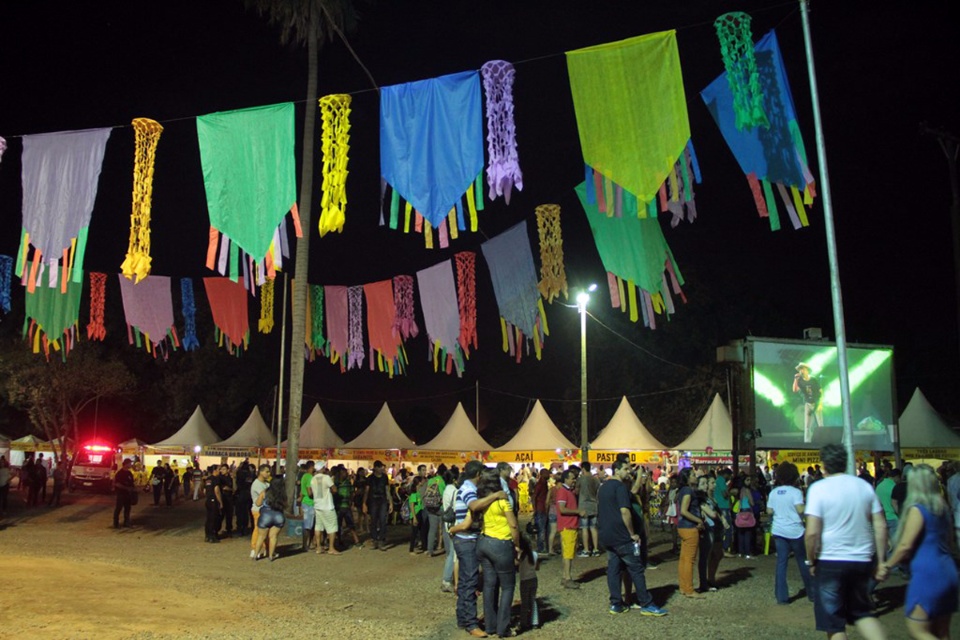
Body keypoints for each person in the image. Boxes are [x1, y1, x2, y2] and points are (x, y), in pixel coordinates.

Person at [805, 443, 887, 640]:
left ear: (823, 465)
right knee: (863, 613)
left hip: (831, 559)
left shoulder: (818, 489)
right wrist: (882, 560)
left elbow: (812, 533)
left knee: (834, 623)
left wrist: (811, 560)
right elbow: (881, 525)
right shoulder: (864, 486)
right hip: (861, 559)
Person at [877, 463, 958, 640]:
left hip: (928, 573)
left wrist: (887, 565)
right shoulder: (943, 508)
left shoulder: (918, 510)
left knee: (918, 629)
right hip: (948, 570)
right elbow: (951, 542)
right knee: (942, 632)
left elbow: (905, 545)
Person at [597, 459, 668, 616]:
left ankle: (616, 603)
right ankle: (646, 603)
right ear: (616, 470)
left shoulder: (603, 487)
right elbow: (625, 511)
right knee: (636, 568)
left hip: (607, 535)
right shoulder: (620, 487)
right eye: (626, 469)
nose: (628, 471)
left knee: (614, 570)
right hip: (622, 535)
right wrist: (632, 534)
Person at [452, 460, 507, 638]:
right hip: (466, 539)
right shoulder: (468, 489)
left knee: (465, 581)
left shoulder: (466, 486)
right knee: (470, 581)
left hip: (464, 538)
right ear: (478, 475)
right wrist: (496, 495)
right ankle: (471, 623)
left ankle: (463, 618)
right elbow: (474, 506)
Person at [474, 467, 520, 638]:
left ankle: (490, 625)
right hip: (501, 543)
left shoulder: (482, 500)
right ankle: (503, 628)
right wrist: (517, 546)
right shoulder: (502, 500)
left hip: (484, 542)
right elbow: (513, 525)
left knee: (489, 584)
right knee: (508, 586)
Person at [767, 462, 814, 604]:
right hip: (796, 531)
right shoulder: (796, 492)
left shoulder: (774, 492)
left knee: (781, 563)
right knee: (803, 561)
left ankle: (781, 597)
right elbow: (800, 510)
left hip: (779, 530)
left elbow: (769, 511)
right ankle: (812, 593)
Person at [677, 467, 705, 598]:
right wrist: (698, 520)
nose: (696, 476)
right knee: (689, 560)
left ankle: (683, 586)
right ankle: (689, 589)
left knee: (684, 559)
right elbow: (684, 510)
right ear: (687, 478)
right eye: (693, 474)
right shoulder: (688, 490)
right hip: (689, 527)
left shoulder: (682, 490)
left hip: (682, 526)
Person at [555, 468, 583, 589]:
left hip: (570, 525)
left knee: (568, 552)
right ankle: (567, 578)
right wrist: (577, 511)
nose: (574, 480)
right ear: (566, 478)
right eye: (572, 478)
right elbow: (562, 509)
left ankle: (565, 576)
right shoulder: (563, 491)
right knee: (568, 554)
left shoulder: (567, 491)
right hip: (568, 526)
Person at [254, 477, 287, 561]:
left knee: (261, 536)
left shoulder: (265, 492)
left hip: (265, 516)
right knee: (273, 536)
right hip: (278, 516)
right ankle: (271, 555)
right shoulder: (283, 494)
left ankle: (255, 554)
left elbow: (258, 503)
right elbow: (286, 505)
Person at [363, 460, 392, 551]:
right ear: (375, 468)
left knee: (383, 520)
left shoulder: (385, 477)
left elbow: (387, 490)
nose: (382, 469)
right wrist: (364, 503)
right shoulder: (370, 478)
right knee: (374, 520)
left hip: (383, 500)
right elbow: (366, 491)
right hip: (373, 501)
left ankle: (381, 540)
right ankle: (374, 539)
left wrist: (390, 502)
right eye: (380, 467)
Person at [312, 465, 340, 555]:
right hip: (327, 506)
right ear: (322, 469)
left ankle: (318, 547)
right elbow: (334, 489)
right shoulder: (326, 478)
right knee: (332, 527)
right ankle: (331, 548)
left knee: (318, 526)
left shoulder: (313, 479)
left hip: (317, 505)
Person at [793, 362, 823, 444]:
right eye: (800, 369)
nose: (801, 371)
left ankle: (822, 440)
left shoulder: (813, 379)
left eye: (803, 369)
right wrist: (795, 379)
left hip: (816, 403)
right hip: (808, 404)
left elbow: (820, 391)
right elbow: (795, 390)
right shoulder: (800, 381)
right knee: (807, 425)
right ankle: (807, 442)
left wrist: (820, 403)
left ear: (807, 370)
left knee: (820, 423)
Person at [576, 461, 601, 557]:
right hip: (594, 505)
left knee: (584, 528)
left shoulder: (581, 479)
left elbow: (577, 491)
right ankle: (595, 549)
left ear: (583, 468)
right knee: (594, 528)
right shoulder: (595, 479)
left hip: (584, 506)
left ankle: (586, 550)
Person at [517, 532, 540, 632]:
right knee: (533, 600)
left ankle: (524, 622)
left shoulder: (521, 556)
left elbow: (517, 567)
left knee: (524, 603)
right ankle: (535, 621)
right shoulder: (534, 554)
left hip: (524, 581)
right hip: (533, 579)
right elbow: (537, 568)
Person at [440, 469, 458, 593]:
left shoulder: (446, 490)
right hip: (453, 524)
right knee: (453, 553)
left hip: (447, 523)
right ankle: (446, 580)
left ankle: (448, 579)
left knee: (450, 553)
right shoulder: (455, 491)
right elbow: (457, 509)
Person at [422, 464, 446, 556]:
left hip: (430, 507)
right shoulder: (443, 481)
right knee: (443, 529)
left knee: (432, 529)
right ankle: (447, 549)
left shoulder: (431, 480)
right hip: (440, 507)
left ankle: (430, 550)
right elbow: (443, 496)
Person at [249, 464, 271, 559]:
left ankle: (267, 549)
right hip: (258, 510)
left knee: (267, 531)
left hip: (266, 510)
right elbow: (264, 497)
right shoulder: (256, 484)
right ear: (261, 472)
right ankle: (254, 549)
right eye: (266, 471)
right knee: (258, 530)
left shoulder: (266, 483)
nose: (268, 474)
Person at [734, 476, 756, 558]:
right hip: (747, 511)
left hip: (740, 511)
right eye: (747, 480)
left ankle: (740, 552)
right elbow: (752, 502)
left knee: (740, 533)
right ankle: (747, 552)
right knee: (747, 533)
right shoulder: (747, 490)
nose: (749, 481)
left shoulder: (739, 490)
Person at [112, 458, 136, 528]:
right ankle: (116, 523)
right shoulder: (120, 473)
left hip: (128, 494)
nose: (131, 465)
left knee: (127, 509)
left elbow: (132, 483)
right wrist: (126, 488)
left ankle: (126, 522)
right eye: (130, 463)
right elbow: (116, 484)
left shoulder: (129, 473)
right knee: (118, 508)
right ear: (126, 464)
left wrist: (133, 489)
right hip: (121, 494)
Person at [203, 465, 223, 543]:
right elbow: (217, 491)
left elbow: (204, 491)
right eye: (218, 469)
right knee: (214, 519)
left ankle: (207, 535)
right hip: (214, 500)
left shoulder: (208, 479)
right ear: (214, 470)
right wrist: (220, 502)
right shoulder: (215, 479)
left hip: (208, 500)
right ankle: (212, 536)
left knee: (208, 518)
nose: (219, 471)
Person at [532, 468, 549, 553]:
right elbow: (534, 496)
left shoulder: (543, 483)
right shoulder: (540, 484)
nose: (549, 474)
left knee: (542, 529)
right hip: (540, 509)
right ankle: (540, 548)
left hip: (542, 509)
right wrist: (535, 509)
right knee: (541, 530)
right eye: (547, 473)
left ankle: (542, 547)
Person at [299, 461, 316, 551]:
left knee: (306, 525)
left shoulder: (304, 476)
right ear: (311, 467)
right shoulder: (309, 477)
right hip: (309, 503)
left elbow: (302, 491)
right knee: (308, 526)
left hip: (304, 502)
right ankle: (307, 545)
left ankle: (305, 544)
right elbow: (309, 492)